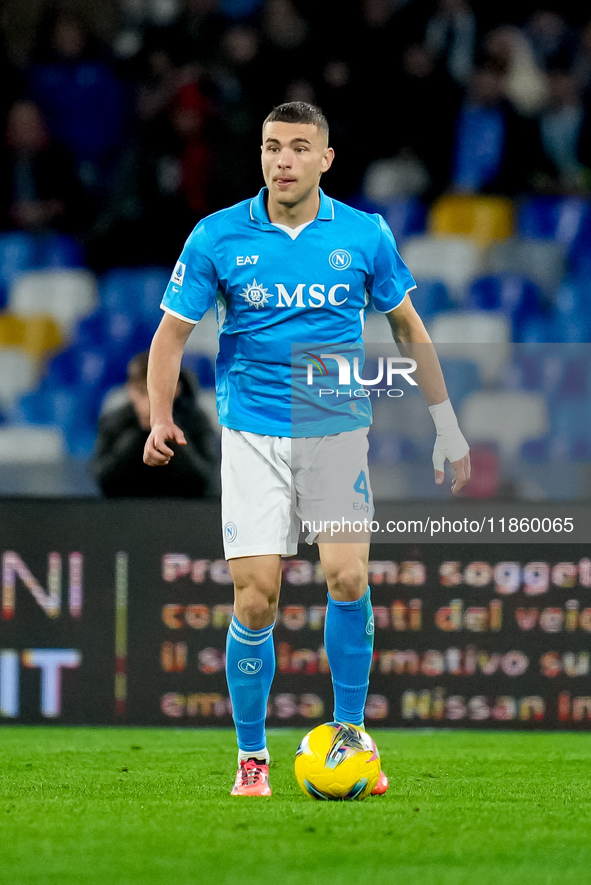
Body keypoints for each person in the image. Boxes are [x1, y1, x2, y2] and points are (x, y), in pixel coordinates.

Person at [143, 101, 470, 796]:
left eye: (297, 147)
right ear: (259, 155)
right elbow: (171, 334)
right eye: (270, 147)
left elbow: (408, 329)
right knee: (256, 597)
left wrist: (445, 424)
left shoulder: (363, 233)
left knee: (347, 578)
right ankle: (252, 756)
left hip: (334, 427)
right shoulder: (217, 235)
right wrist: (160, 417)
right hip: (252, 434)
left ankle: (350, 735)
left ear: (324, 159)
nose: (281, 159)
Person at [91, 350, 219, 498]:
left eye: (158, 393)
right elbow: (103, 481)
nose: (150, 403)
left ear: (176, 389)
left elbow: (207, 482)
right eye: (142, 392)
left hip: (182, 511)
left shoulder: (196, 421)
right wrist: (136, 438)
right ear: (130, 390)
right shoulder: (114, 422)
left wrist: (174, 440)